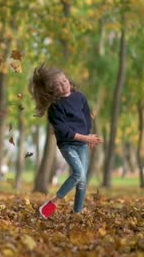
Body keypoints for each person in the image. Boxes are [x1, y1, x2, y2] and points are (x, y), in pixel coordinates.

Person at [29, 64, 104, 218]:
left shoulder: (80, 97)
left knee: (83, 181)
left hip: (82, 143)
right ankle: (54, 202)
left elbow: (86, 119)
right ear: (52, 90)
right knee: (78, 173)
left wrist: (89, 137)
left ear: (68, 80)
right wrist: (85, 138)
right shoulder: (55, 107)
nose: (63, 85)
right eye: (58, 85)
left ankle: (77, 212)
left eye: (64, 81)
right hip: (68, 144)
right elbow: (65, 132)